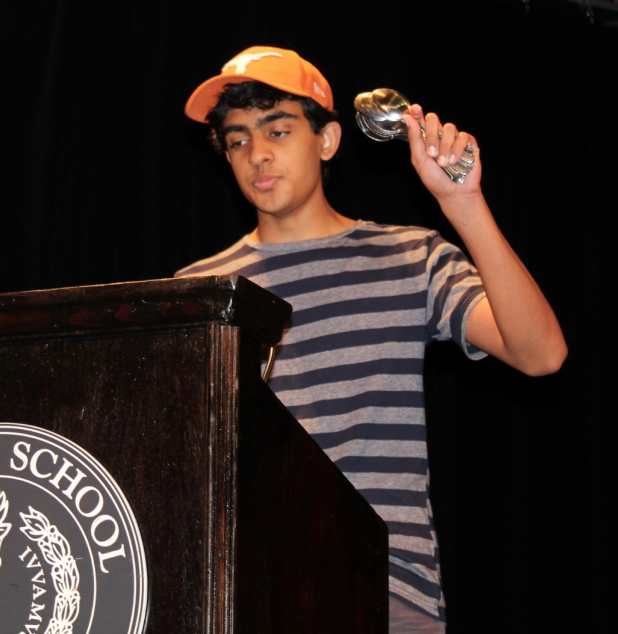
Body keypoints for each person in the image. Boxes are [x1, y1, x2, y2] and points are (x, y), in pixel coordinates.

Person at [176, 46, 567, 633]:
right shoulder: (199, 291)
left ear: (328, 140)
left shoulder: (411, 255)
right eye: (237, 140)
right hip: (243, 593)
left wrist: (464, 203)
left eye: (278, 130)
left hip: (386, 592)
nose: (257, 154)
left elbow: (541, 355)